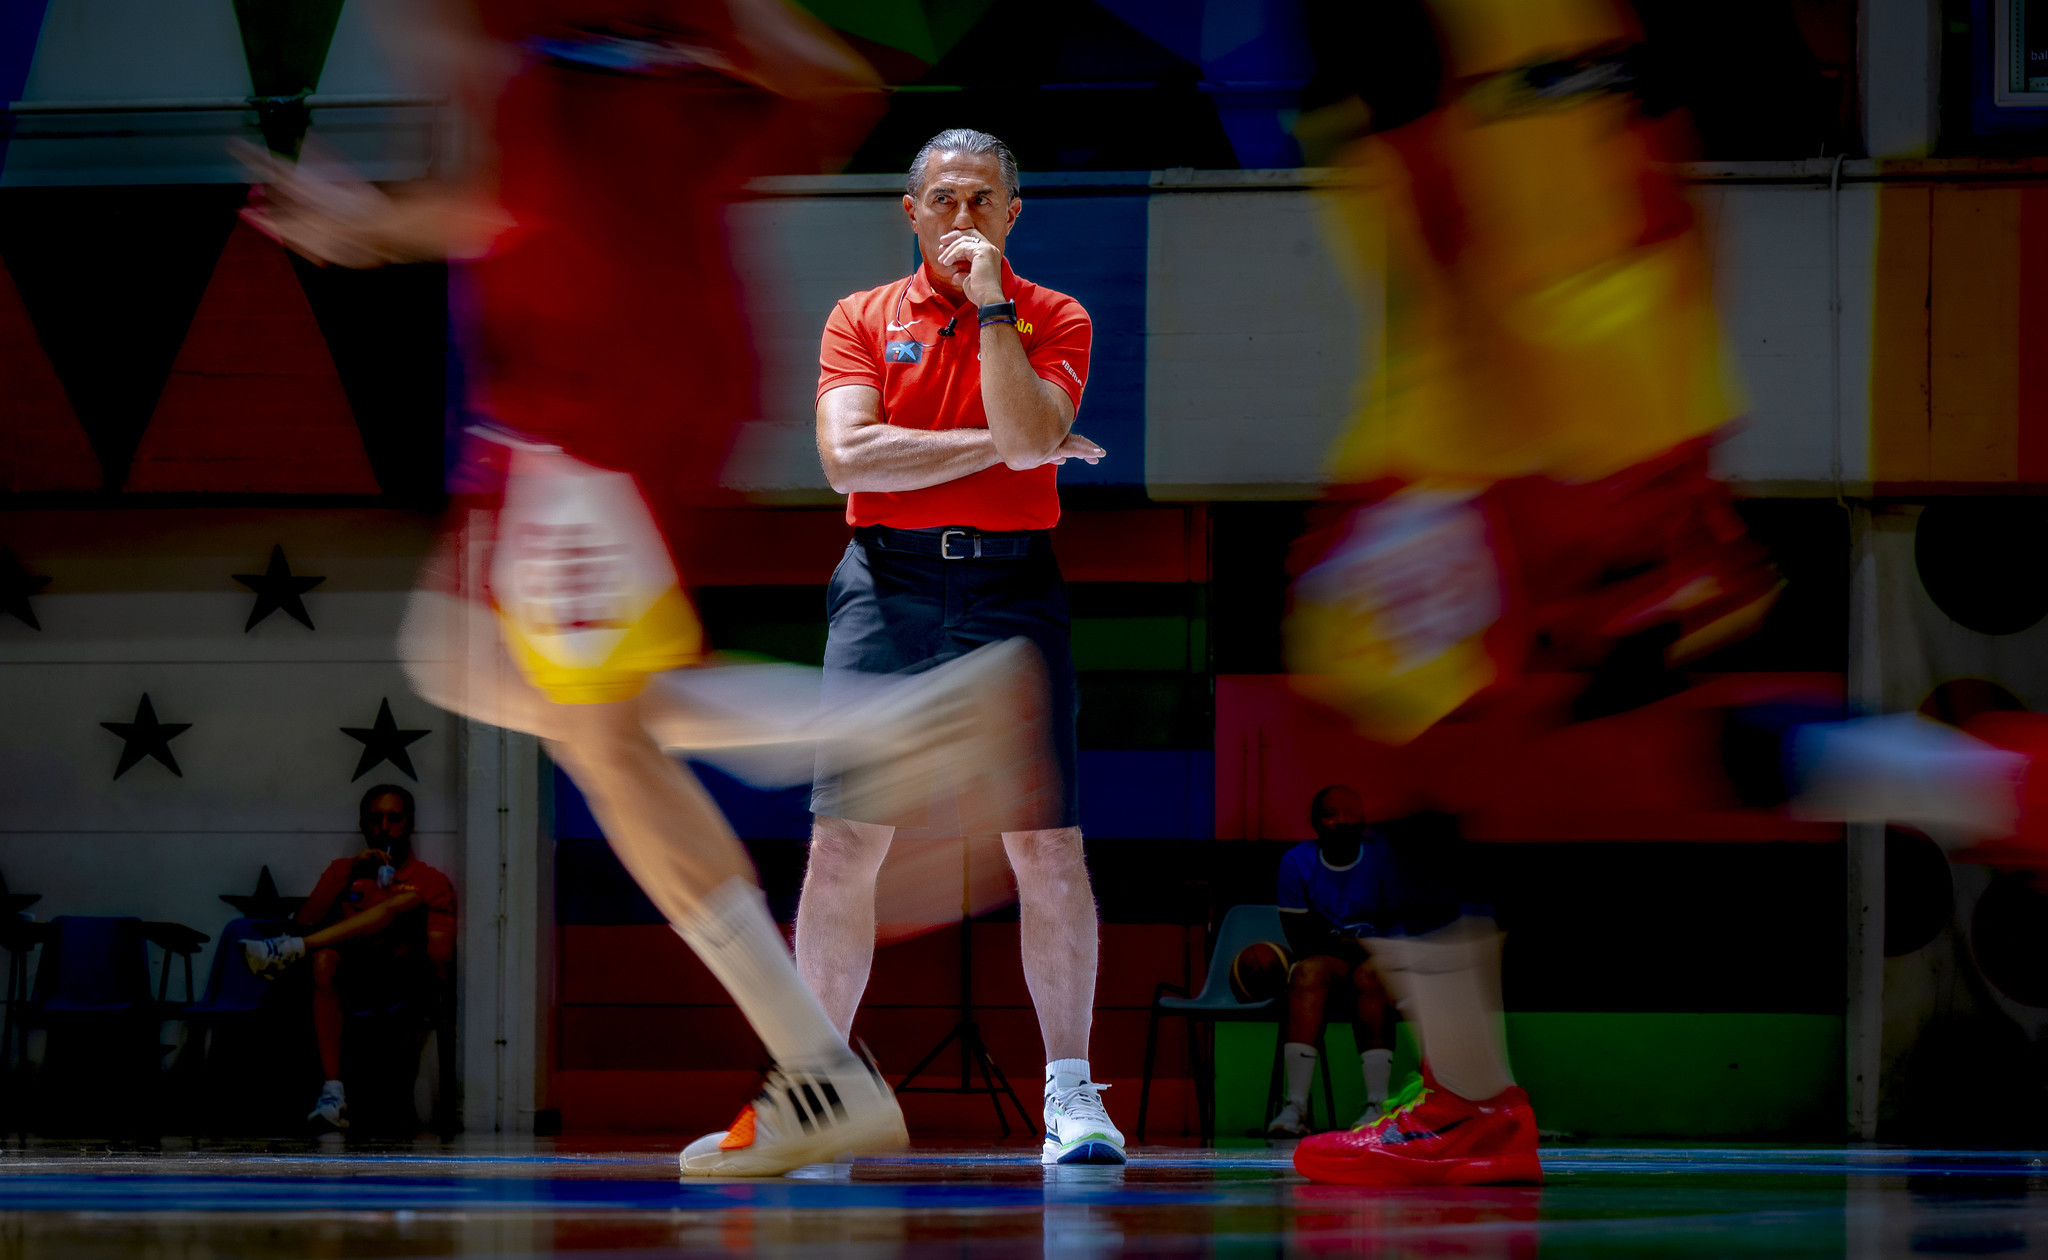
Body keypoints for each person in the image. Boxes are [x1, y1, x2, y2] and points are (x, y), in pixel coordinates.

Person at [239, 0, 1055, 1177]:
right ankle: (878, 788)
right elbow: (829, 91)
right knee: (488, 663)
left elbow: (496, 138)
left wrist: (377, 220)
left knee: (583, 721)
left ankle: (833, 998)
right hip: (668, 365)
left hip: (582, 377)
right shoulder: (689, 28)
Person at [1283, 0, 2045, 1188]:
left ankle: (1469, 1106)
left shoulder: (1436, 77)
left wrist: (1483, 462)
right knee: (1626, 736)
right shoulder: (1588, 41)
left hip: (1499, 410)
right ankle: (1998, 781)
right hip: (1632, 369)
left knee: (1386, 717)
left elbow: (1431, 179)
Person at [794, 128, 1124, 1166]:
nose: (962, 218)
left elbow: (1030, 443)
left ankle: (1069, 1095)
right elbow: (848, 454)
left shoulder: (1053, 314)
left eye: (982, 200)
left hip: (1012, 582)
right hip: (883, 581)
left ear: (1012, 213)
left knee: (1046, 846)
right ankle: (818, 1093)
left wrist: (992, 313)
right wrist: (1009, 444)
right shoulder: (858, 317)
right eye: (942, 199)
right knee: (845, 840)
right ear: (910, 210)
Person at [243, 785, 455, 1131]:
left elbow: (439, 958)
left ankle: (284, 950)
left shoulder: (430, 881)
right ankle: (333, 1093)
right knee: (324, 959)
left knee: (409, 901)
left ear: (410, 824)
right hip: (351, 980)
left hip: (401, 979)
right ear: (363, 825)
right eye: (375, 819)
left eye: (394, 818)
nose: (385, 827)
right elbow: (305, 922)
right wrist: (348, 875)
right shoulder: (344, 870)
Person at [1268, 786, 1404, 1137]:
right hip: (1326, 962)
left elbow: (1398, 931)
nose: (1342, 821)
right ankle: (1295, 1106)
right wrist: (1349, 943)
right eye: (1332, 813)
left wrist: (1354, 943)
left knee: (1374, 974)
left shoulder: (1383, 859)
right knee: (1307, 972)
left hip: (1376, 963)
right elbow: (1302, 938)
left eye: (1350, 813)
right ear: (1315, 822)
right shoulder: (1297, 862)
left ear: (1363, 820)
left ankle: (1378, 1104)